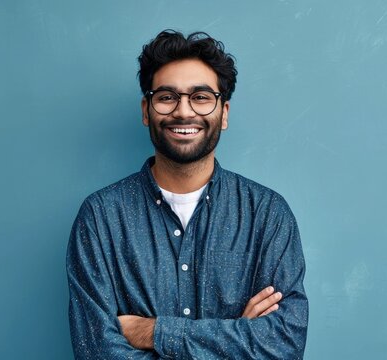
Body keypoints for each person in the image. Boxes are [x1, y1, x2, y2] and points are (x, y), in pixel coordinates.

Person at [67, 29, 308, 359]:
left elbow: (282, 347)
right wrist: (236, 336)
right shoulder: (101, 218)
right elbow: (97, 351)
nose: (183, 111)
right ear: (146, 110)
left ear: (223, 113)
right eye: (167, 97)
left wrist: (153, 331)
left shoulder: (267, 214)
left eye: (201, 97)